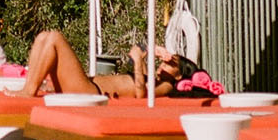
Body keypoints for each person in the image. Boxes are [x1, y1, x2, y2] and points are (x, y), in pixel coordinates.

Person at [22, 32, 213, 99]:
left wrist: (139, 60)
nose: (163, 64)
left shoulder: (166, 86)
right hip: (87, 85)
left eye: (171, 64)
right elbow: (133, 55)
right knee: (43, 37)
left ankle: (29, 90)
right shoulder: (152, 79)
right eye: (164, 61)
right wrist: (150, 48)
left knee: (55, 38)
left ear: (179, 76)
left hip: (91, 91)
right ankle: (28, 87)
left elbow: (141, 94)